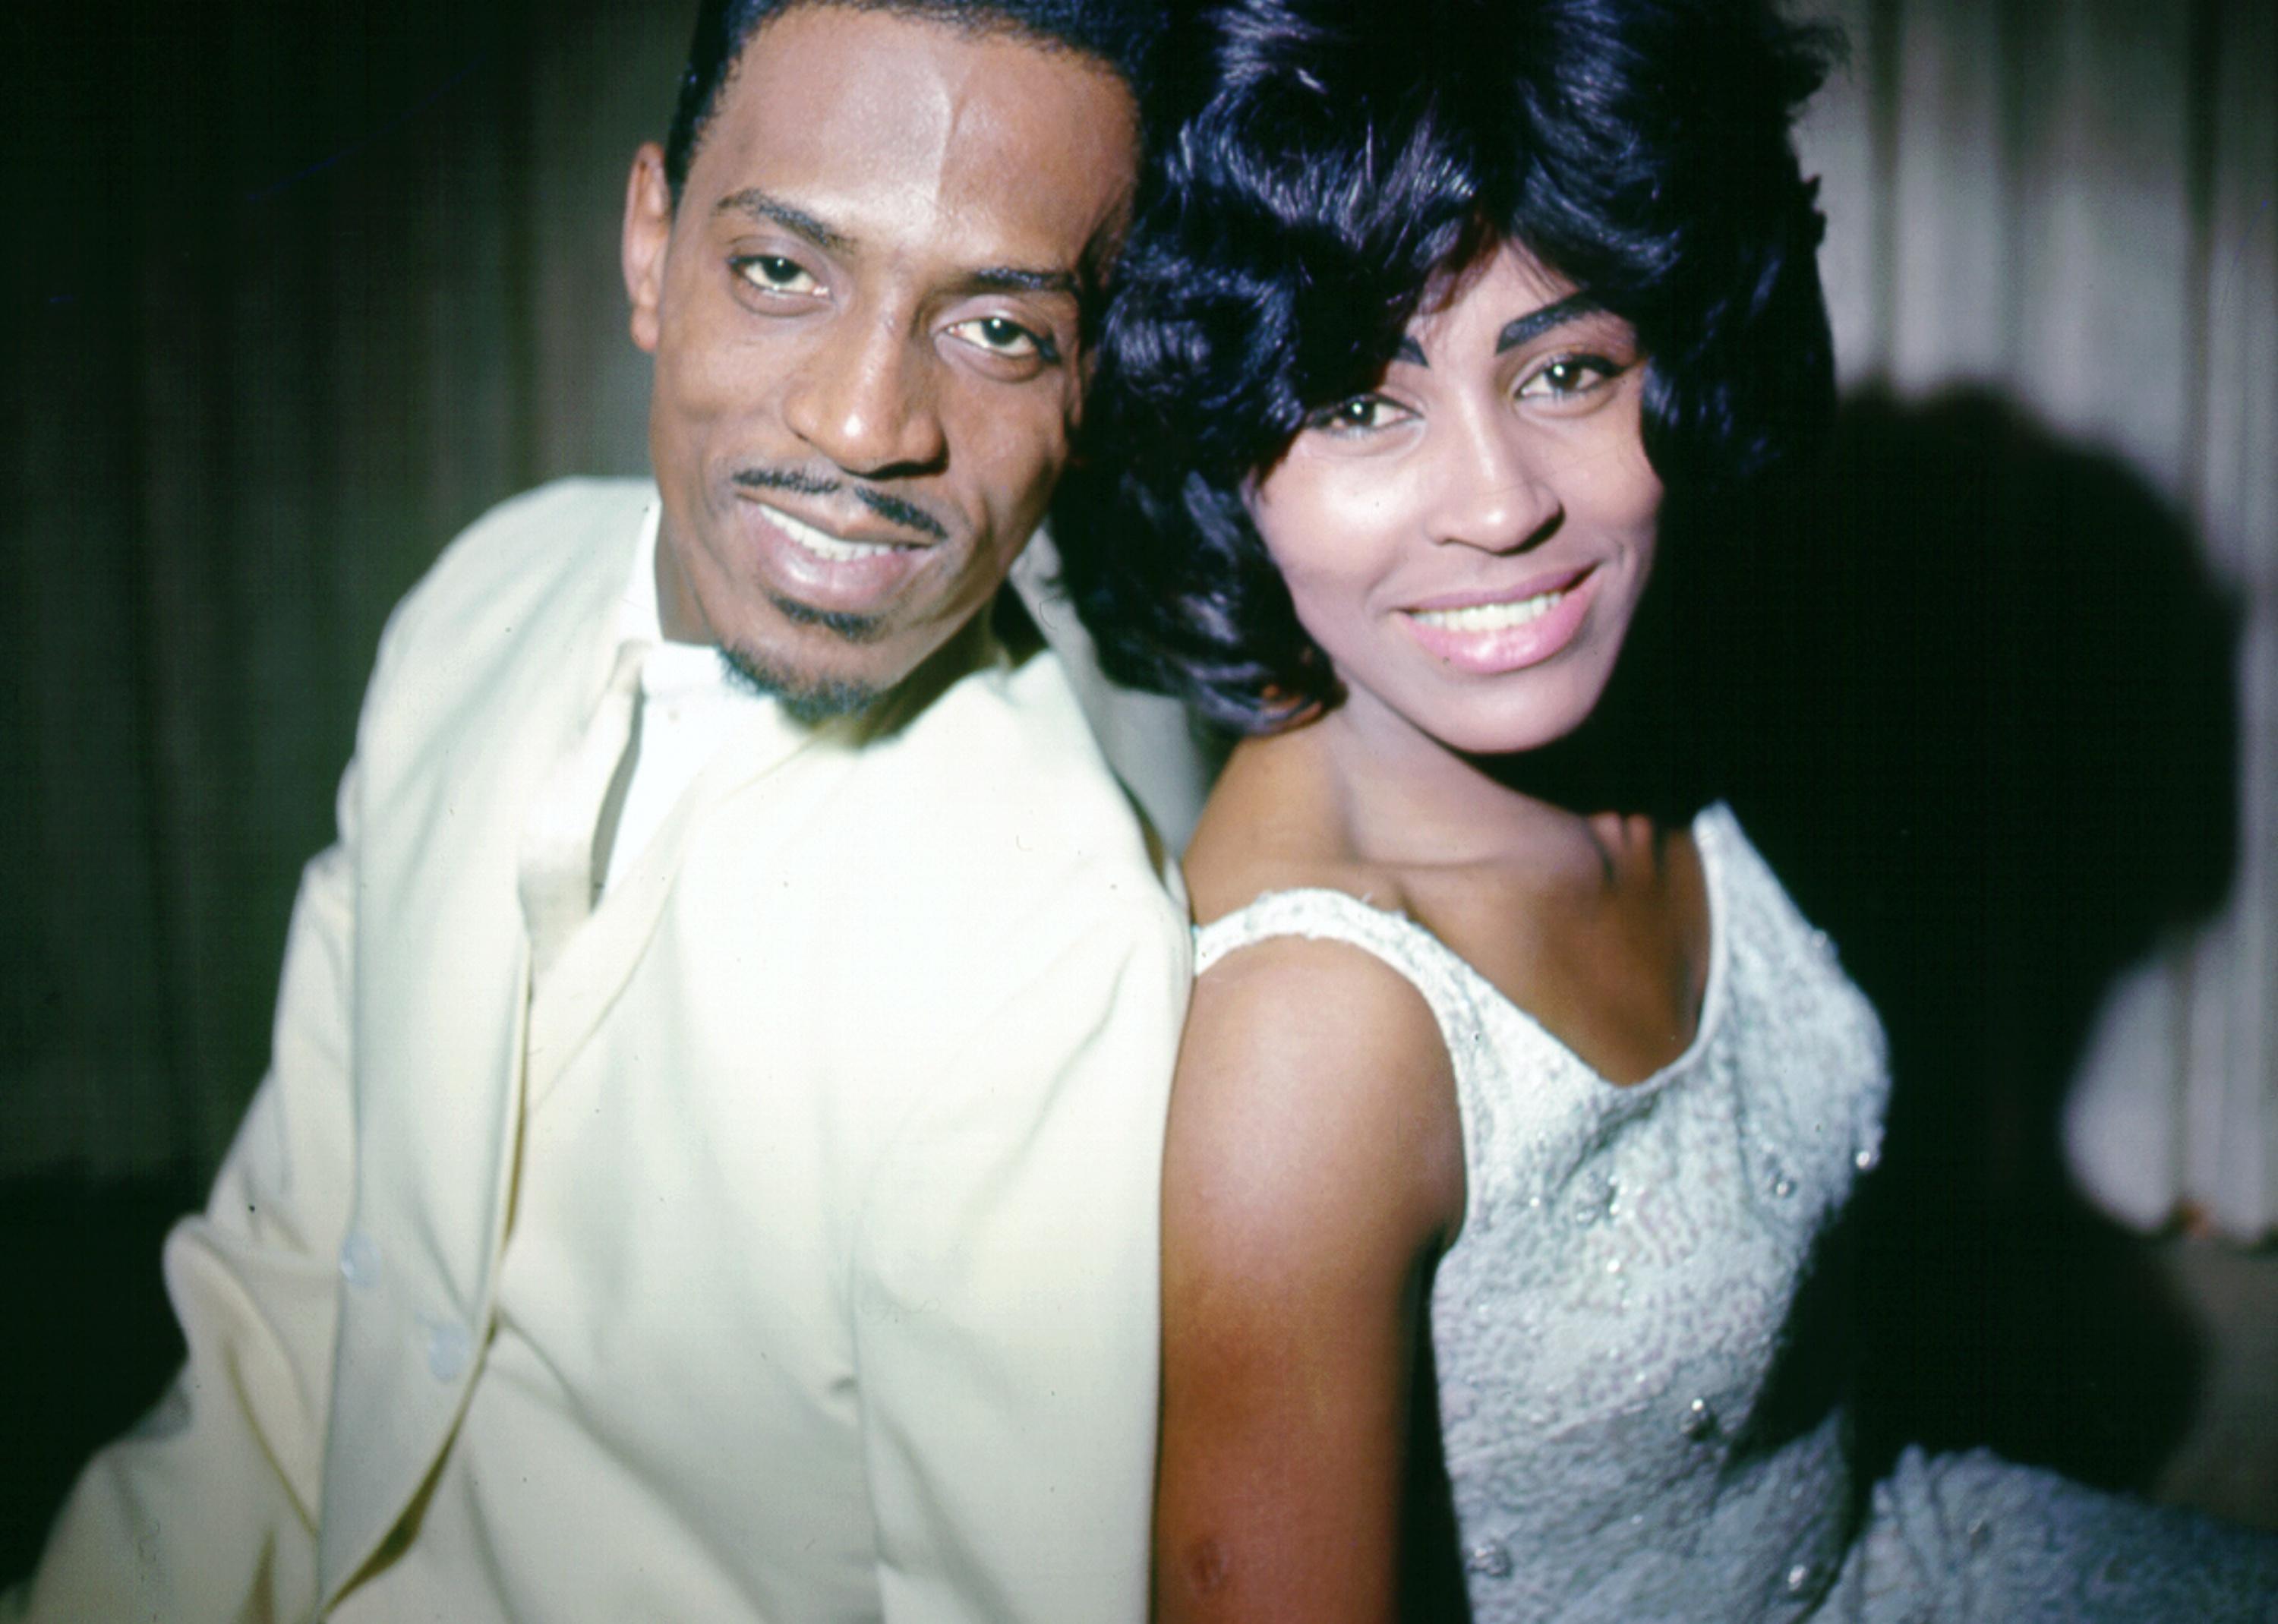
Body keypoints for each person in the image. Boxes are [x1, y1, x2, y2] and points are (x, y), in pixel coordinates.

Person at [1052, 0, 2278, 1618]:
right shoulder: (1310, 1041)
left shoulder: (1641, 695)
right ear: (1213, 451)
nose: (1503, 507)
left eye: (1563, 369)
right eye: (1359, 401)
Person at [6, 2, 1190, 1619]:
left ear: (1090, 385)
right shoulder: (485, 595)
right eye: (782, 269)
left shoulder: (1069, 955)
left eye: (998, 330)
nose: (863, 424)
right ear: (651, 245)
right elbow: (280, 1318)